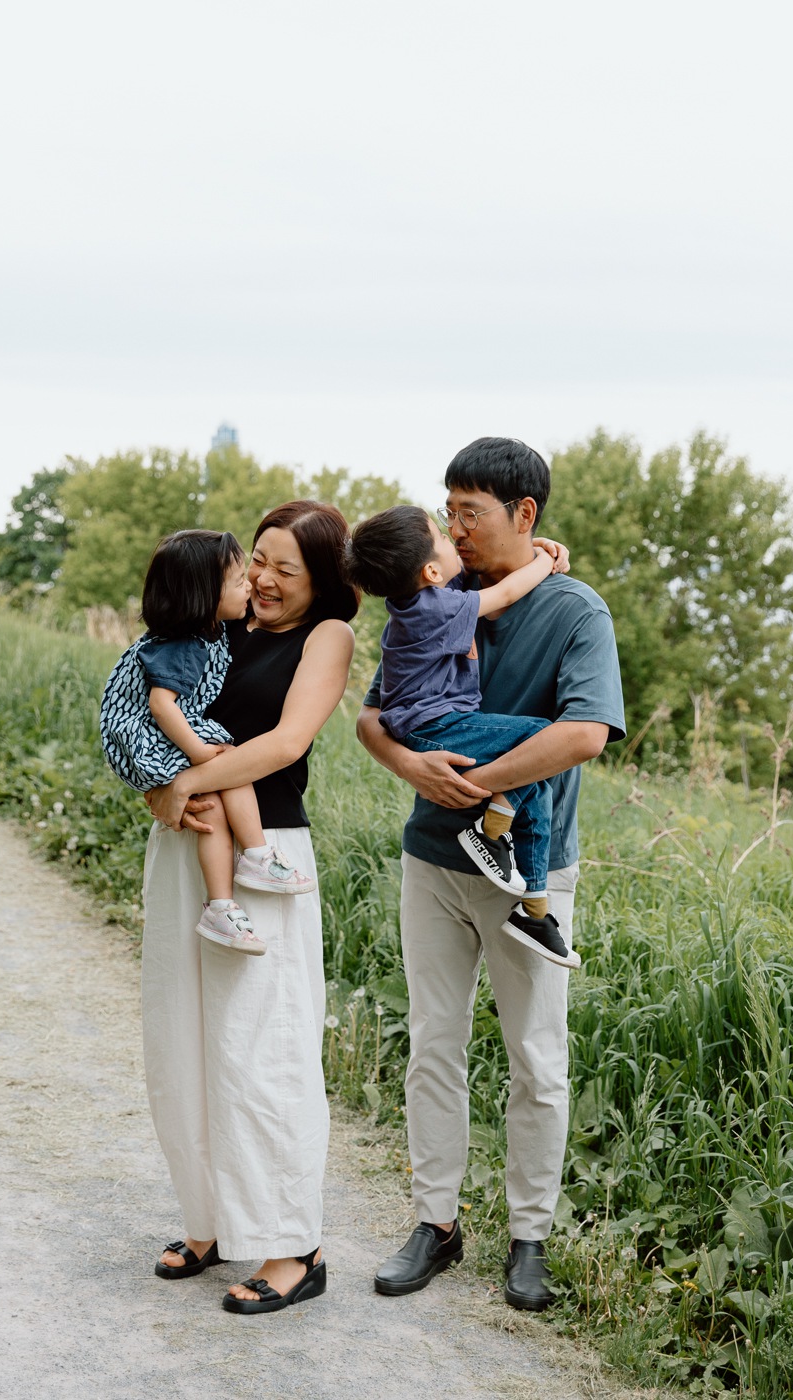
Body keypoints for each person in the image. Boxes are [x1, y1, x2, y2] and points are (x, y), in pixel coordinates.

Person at [357, 438, 625, 1310]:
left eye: (469, 511)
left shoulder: (577, 612)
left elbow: (583, 734)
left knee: (536, 1062)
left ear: (526, 516)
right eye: (449, 509)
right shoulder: (434, 594)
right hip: (431, 861)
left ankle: (529, 1238)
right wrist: (416, 773)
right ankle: (434, 1223)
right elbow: (372, 721)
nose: (454, 526)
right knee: (433, 1046)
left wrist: (470, 779)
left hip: (529, 878)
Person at [140, 501, 358, 1314]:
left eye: (285, 569)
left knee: (263, 1046)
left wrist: (184, 783)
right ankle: (210, 1221)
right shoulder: (212, 627)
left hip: (267, 858)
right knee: (182, 1035)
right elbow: (152, 715)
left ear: (324, 581)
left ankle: (291, 1242)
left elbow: (283, 744)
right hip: (187, 845)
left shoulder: (325, 638)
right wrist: (160, 799)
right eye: (256, 561)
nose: (262, 579)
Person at [344, 504, 579, 969]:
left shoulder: (415, 600)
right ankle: (491, 827)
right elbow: (509, 591)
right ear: (431, 570)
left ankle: (533, 907)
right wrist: (544, 562)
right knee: (539, 738)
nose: (455, 537)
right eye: (444, 535)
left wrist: (536, 545)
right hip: (437, 728)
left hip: (426, 726)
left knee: (533, 791)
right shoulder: (439, 608)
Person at [99, 529, 315, 957]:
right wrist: (198, 754)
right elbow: (162, 705)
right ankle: (255, 855)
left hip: (154, 734)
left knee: (214, 799)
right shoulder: (184, 644)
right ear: (204, 597)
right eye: (240, 580)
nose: (251, 584)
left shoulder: (205, 631)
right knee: (228, 760)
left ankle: (221, 903)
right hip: (146, 734)